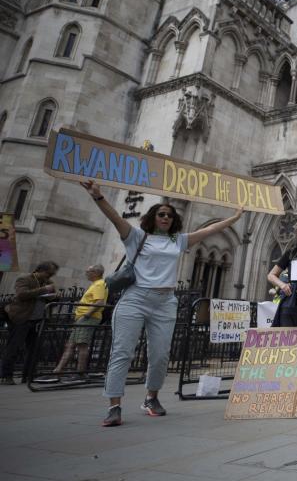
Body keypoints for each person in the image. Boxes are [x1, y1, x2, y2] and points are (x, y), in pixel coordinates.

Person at [82, 180, 242, 427]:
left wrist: (234, 218)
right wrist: (98, 196)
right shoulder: (137, 236)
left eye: (169, 215)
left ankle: (151, 398)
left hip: (165, 301)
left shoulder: (177, 241)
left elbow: (208, 231)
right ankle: (114, 406)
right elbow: (115, 218)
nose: (165, 217)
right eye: (161, 214)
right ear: (153, 217)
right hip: (135, 298)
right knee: (122, 353)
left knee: (160, 356)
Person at [0, 261, 59, 384]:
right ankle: (6, 376)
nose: (50, 277)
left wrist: (55, 295)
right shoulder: (25, 278)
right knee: (13, 348)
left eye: (52, 275)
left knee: (34, 350)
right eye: (48, 274)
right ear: (40, 270)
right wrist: (44, 290)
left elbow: (51, 298)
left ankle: (27, 376)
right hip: (21, 318)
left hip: (37, 320)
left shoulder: (47, 282)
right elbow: (21, 295)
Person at [51, 264, 107, 382]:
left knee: (82, 344)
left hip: (88, 317)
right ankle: (58, 370)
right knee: (70, 344)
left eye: (88, 271)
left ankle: (80, 372)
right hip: (82, 317)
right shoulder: (95, 284)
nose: (86, 273)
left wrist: (87, 314)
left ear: (96, 273)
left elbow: (100, 302)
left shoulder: (99, 284)